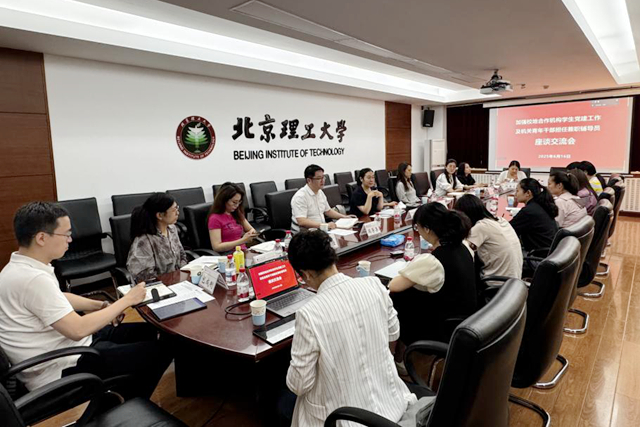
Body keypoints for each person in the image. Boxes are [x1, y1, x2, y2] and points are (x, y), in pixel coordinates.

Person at [0, 202, 171, 399]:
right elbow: (77, 329)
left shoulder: (20, 267)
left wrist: (101, 305)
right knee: (160, 351)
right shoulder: (33, 279)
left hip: (69, 346)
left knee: (153, 331)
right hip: (62, 366)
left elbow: (58, 297)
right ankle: (124, 404)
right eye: (66, 234)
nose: (70, 240)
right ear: (41, 238)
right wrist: (126, 300)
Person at [282, 230, 418, 427]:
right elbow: (393, 333)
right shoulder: (374, 285)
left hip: (343, 419)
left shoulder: (309, 314)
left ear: (307, 274)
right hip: (391, 403)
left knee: (283, 402)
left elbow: (299, 385)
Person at [389, 203, 477, 346]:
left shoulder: (433, 262)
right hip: (464, 319)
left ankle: (396, 350)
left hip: (442, 327)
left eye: (417, 227)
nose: (418, 232)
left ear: (427, 229)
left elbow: (394, 286)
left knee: (395, 297)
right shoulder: (464, 246)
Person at [454, 195, 522, 281]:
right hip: (514, 281)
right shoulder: (501, 220)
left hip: (497, 281)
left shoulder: (481, 227)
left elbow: (462, 253)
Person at [127, 192, 188, 282]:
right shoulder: (144, 240)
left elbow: (182, 255)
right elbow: (144, 276)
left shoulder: (172, 229)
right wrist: (171, 281)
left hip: (177, 280)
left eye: (177, 208)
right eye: (174, 210)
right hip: (158, 285)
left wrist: (183, 274)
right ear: (159, 215)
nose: (177, 213)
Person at [291, 164, 352, 232]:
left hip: (320, 230)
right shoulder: (300, 197)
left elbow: (328, 211)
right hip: (304, 233)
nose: (322, 180)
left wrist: (344, 217)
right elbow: (302, 221)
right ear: (309, 180)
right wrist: (325, 225)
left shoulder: (320, 192)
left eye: (323, 177)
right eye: (319, 178)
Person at [509, 178, 559, 252]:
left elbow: (508, 230)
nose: (515, 194)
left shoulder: (528, 212)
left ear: (528, 193)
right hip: (549, 252)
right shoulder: (540, 205)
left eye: (517, 191)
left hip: (537, 255)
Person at [208, 183, 258, 253]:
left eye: (239, 202)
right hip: (229, 254)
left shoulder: (236, 213)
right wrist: (243, 240)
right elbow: (217, 247)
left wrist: (251, 233)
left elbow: (251, 229)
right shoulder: (215, 218)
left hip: (243, 251)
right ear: (224, 200)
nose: (237, 205)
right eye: (234, 202)